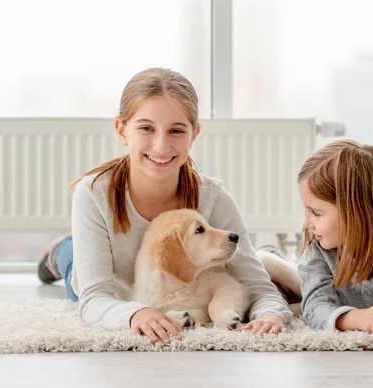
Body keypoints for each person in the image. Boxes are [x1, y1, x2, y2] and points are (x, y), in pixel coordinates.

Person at [37, 68, 292, 345]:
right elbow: (94, 300)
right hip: (120, 290)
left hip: (174, 292)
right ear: (121, 130)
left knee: (249, 260)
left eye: (176, 131)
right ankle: (60, 251)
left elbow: (257, 285)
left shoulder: (213, 197)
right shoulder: (93, 193)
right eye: (146, 128)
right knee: (75, 269)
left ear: (194, 134)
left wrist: (271, 314)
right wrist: (135, 314)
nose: (161, 146)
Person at [261, 139, 373, 339]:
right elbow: (314, 308)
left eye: (316, 213)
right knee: (284, 273)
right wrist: (362, 318)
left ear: (355, 212)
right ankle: (272, 254)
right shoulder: (318, 240)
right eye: (307, 211)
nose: (306, 224)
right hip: (347, 308)